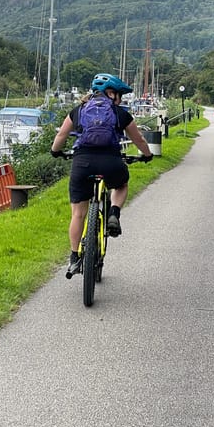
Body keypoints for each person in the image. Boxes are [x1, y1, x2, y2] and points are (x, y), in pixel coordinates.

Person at [50, 73, 154, 275]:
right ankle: (114, 213)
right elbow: (138, 139)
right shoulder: (120, 113)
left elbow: (61, 135)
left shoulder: (78, 111)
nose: (120, 99)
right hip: (111, 162)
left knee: (78, 213)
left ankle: (74, 257)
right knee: (121, 184)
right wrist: (147, 155)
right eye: (119, 95)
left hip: (82, 162)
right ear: (112, 94)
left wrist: (55, 151)